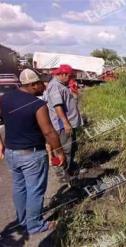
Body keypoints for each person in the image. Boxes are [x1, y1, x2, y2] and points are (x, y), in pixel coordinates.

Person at [0, 68, 66, 234]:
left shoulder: (4, 99)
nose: (43, 85)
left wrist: (1, 143)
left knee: (19, 187)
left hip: (11, 153)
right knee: (35, 190)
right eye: (40, 83)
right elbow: (49, 132)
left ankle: (23, 221)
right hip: (32, 154)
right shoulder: (38, 105)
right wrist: (59, 152)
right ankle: (35, 225)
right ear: (33, 84)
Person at [46, 64, 82, 180]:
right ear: (63, 74)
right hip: (62, 126)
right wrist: (66, 123)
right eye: (69, 76)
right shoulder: (55, 86)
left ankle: (69, 170)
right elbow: (58, 107)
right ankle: (62, 174)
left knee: (70, 148)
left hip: (67, 124)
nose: (70, 78)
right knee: (63, 150)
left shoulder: (61, 85)